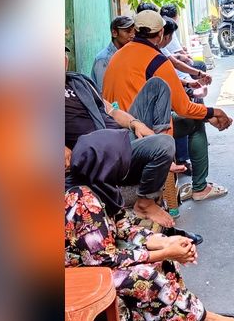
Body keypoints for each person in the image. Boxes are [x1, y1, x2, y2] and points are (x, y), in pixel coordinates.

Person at [65, 130, 234, 321]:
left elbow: (124, 227)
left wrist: (163, 241)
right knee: (144, 276)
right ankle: (208, 319)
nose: (127, 164)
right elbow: (104, 259)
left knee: (166, 260)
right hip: (77, 275)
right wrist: (162, 252)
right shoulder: (82, 200)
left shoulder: (102, 188)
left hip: (100, 262)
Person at [103, 10, 234, 202]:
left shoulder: (118, 55)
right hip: (138, 133)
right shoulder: (156, 60)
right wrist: (216, 112)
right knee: (195, 123)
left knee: (196, 116)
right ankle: (200, 187)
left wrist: (209, 114)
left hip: (115, 128)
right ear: (161, 34)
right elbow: (184, 108)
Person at [66, 46, 180, 227]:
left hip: (122, 136)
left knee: (156, 85)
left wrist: (135, 123)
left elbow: (111, 110)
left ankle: (160, 160)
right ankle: (145, 203)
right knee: (164, 144)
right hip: (105, 155)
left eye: (62, 54)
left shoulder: (79, 82)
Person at [92, 15, 136, 91]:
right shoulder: (104, 59)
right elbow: (103, 92)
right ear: (114, 33)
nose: (132, 35)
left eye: (134, 32)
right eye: (128, 31)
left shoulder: (128, 53)